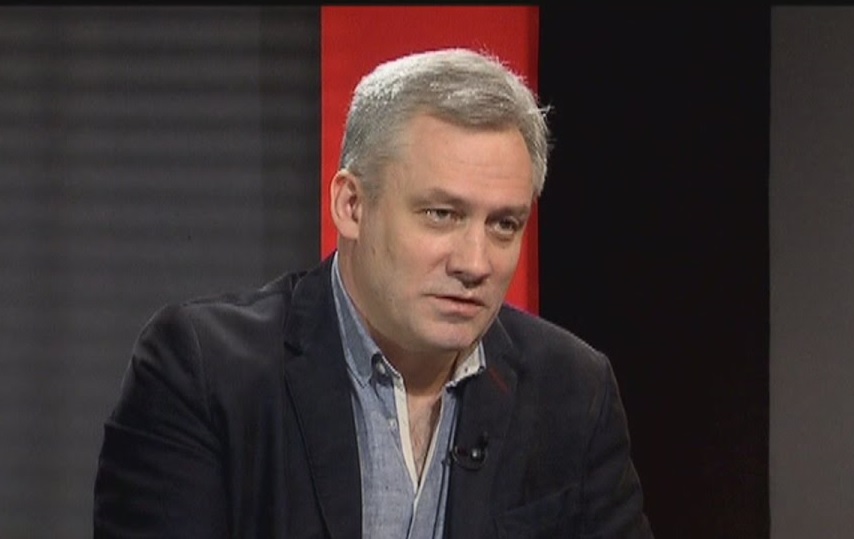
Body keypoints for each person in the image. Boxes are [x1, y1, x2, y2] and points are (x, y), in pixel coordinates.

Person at [93, 48, 653, 538]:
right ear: (352, 206)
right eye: (441, 214)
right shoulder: (205, 373)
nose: (475, 263)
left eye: (504, 225)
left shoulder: (572, 391)